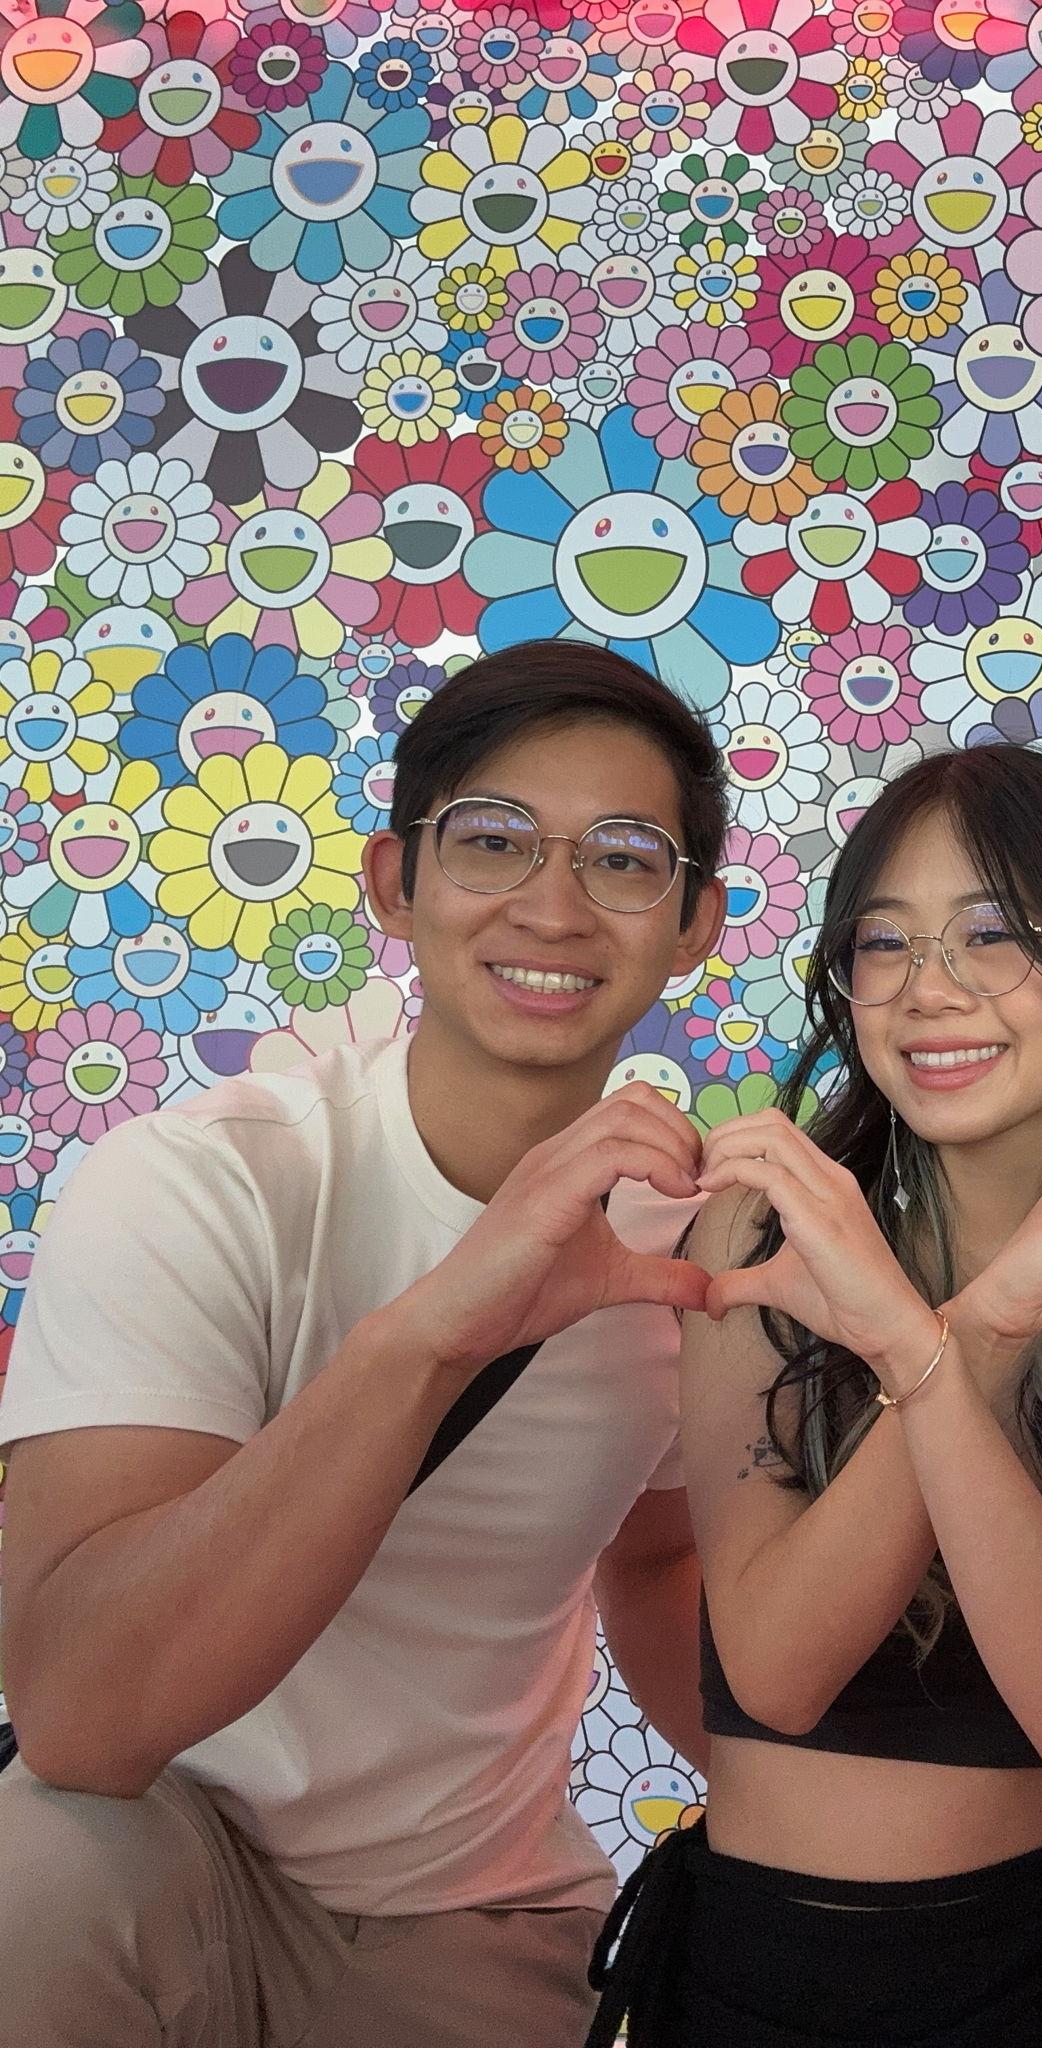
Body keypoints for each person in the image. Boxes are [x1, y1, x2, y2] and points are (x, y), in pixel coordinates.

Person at [0, 641, 728, 2048]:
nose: (553, 906)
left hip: (482, 1910)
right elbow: (80, 1720)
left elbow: (656, 1561)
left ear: (695, 921)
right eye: (493, 840)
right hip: (159, 1861)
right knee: (28, 1874)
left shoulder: (686, 1249)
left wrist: (865, 1828)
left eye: (623, 859)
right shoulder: (203, 1183)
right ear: (396, 881)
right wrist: (442, 1329)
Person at [585, 743, 1042, 2047]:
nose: (929, 990)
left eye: (993, 934)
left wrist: (950, 1346)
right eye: (885, 942)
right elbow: (778, 1672)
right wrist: (981, 1328)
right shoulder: (758, 1240)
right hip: (751, 1971)